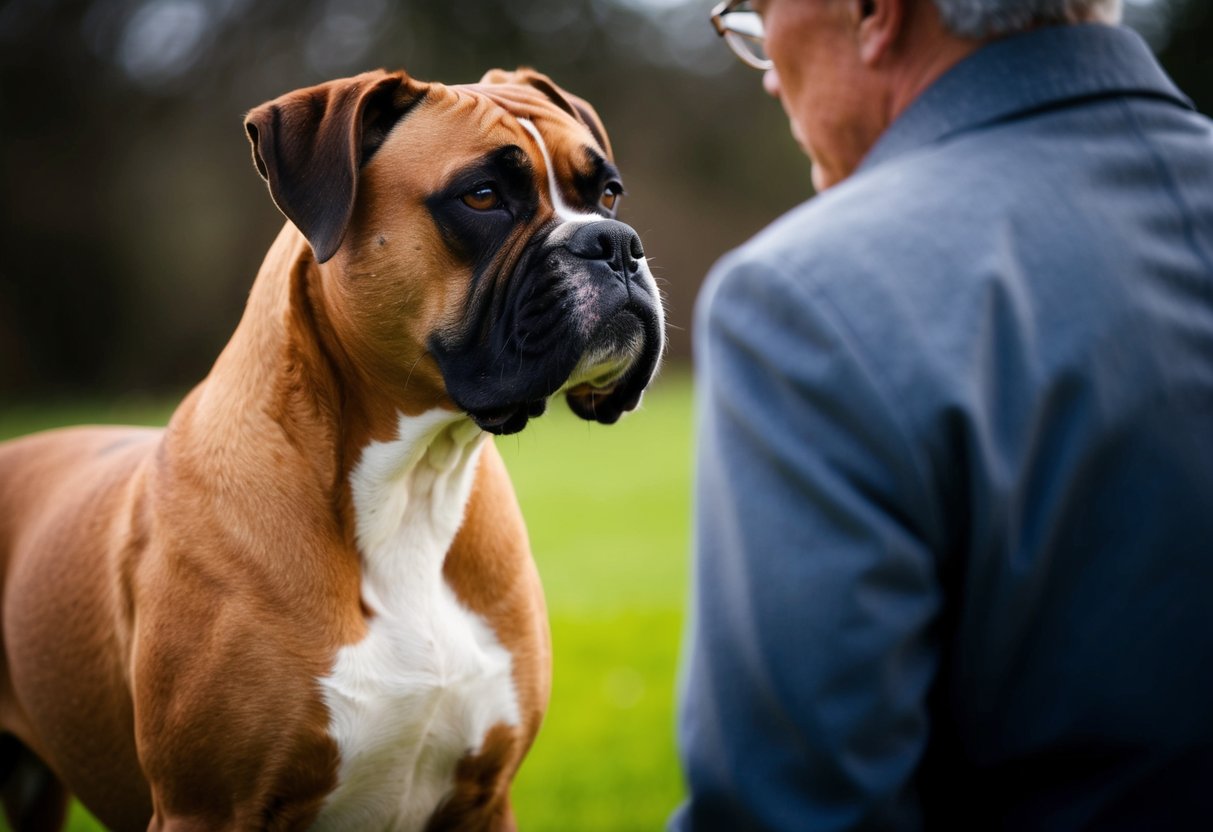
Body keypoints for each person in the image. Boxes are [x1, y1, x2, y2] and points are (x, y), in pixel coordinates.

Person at [674, 0, 1213, 829]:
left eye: (758, 13)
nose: (770, 70)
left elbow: (795, 810)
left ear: (871, 13)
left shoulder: (809, 301)